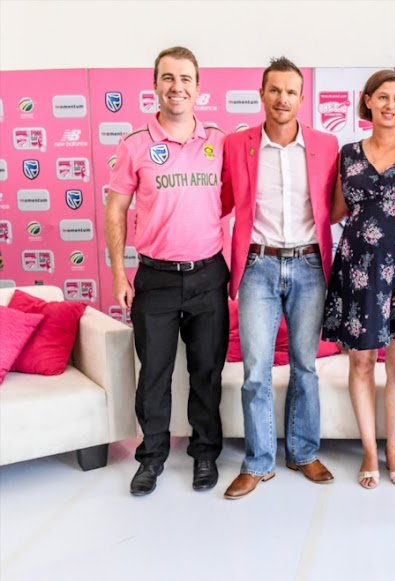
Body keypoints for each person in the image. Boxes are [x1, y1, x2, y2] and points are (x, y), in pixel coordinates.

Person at [105, 46, 229, 496]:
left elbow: (229, 199)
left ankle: (204, 455)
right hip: (154, 278)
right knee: (153, 374)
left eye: (186, 79)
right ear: (155, 84)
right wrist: (119, 273)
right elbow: (115, 209)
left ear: (199, 87)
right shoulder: (135, 144)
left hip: (208, 275)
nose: (177, 87)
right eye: (168, 78)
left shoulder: (218, 139)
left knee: (206, 372)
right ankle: (151, 457)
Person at [221, 57, 339, 500]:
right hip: (258, 265)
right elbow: (222, 201)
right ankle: (258, 462)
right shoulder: (238, 145)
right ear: (262, 94)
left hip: (310, 266)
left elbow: (336, 203)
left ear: (302, 99)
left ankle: (304, 453)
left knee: (306, 367)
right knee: (256, 371)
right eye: (275, 90)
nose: (282, 99)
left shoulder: (326, 144)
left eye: (291, 91)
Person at [322, 71, 395, 489]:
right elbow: (336, 212)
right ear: (367, 100)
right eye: (383, 97)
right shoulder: (347, 153)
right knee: (361, 362)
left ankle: (394, 450)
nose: (391, 105)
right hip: (358, 273)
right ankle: (370, 451)